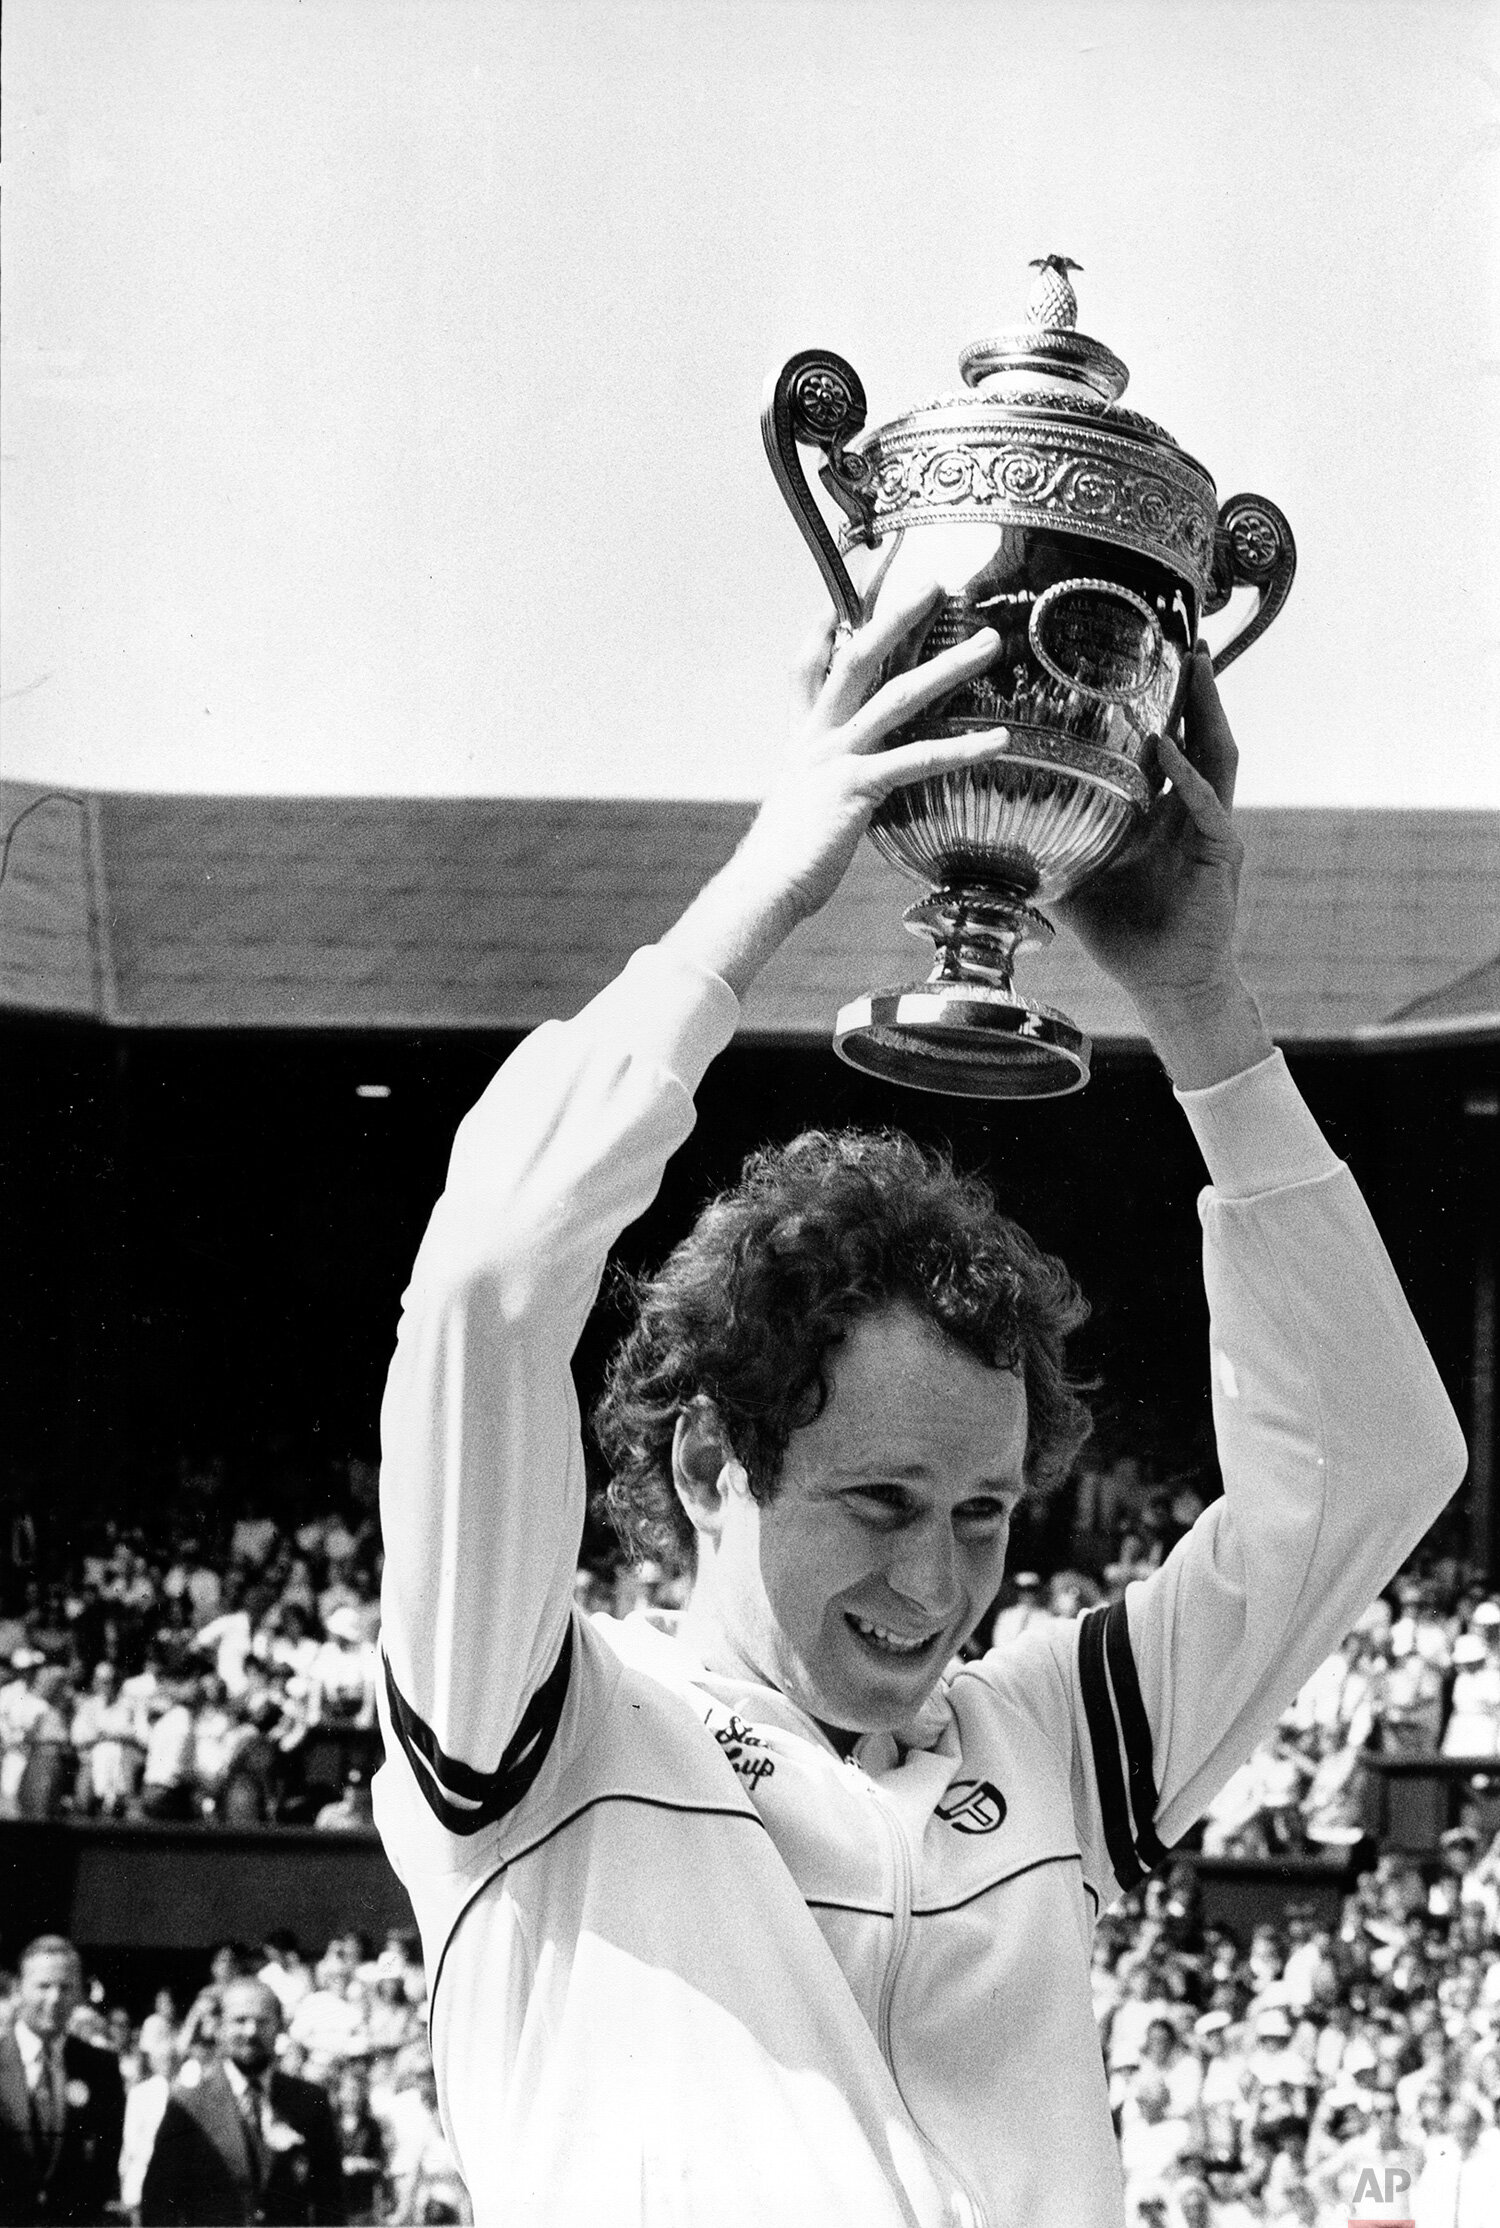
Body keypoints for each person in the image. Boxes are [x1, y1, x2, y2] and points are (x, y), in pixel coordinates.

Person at [372, 592, 1467, 2227]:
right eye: (880, 1502)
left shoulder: (1050, 1739)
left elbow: (1379, 1458)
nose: (936, 1590)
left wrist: (1206, 1011)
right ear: (710, 1460)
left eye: (983, 1514)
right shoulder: (533, 1729)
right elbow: (491, 1281)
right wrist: (767, 886)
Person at [138, 1976, 345, 2226]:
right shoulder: (188, 2105)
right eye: (240, 2020)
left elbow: (331, 2203)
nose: (251, 2031)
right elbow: (158, 2204)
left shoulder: (310, 2101)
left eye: (262, 2021)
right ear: (219, 2026)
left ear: (279, 2025)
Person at [0, 1934, 125, 2226]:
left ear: (80, 1994)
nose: (55, 1998)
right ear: (18, 1990)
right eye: (43, 1986)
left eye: (65, 1987)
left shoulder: (101, 2067)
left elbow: (105, 2163)